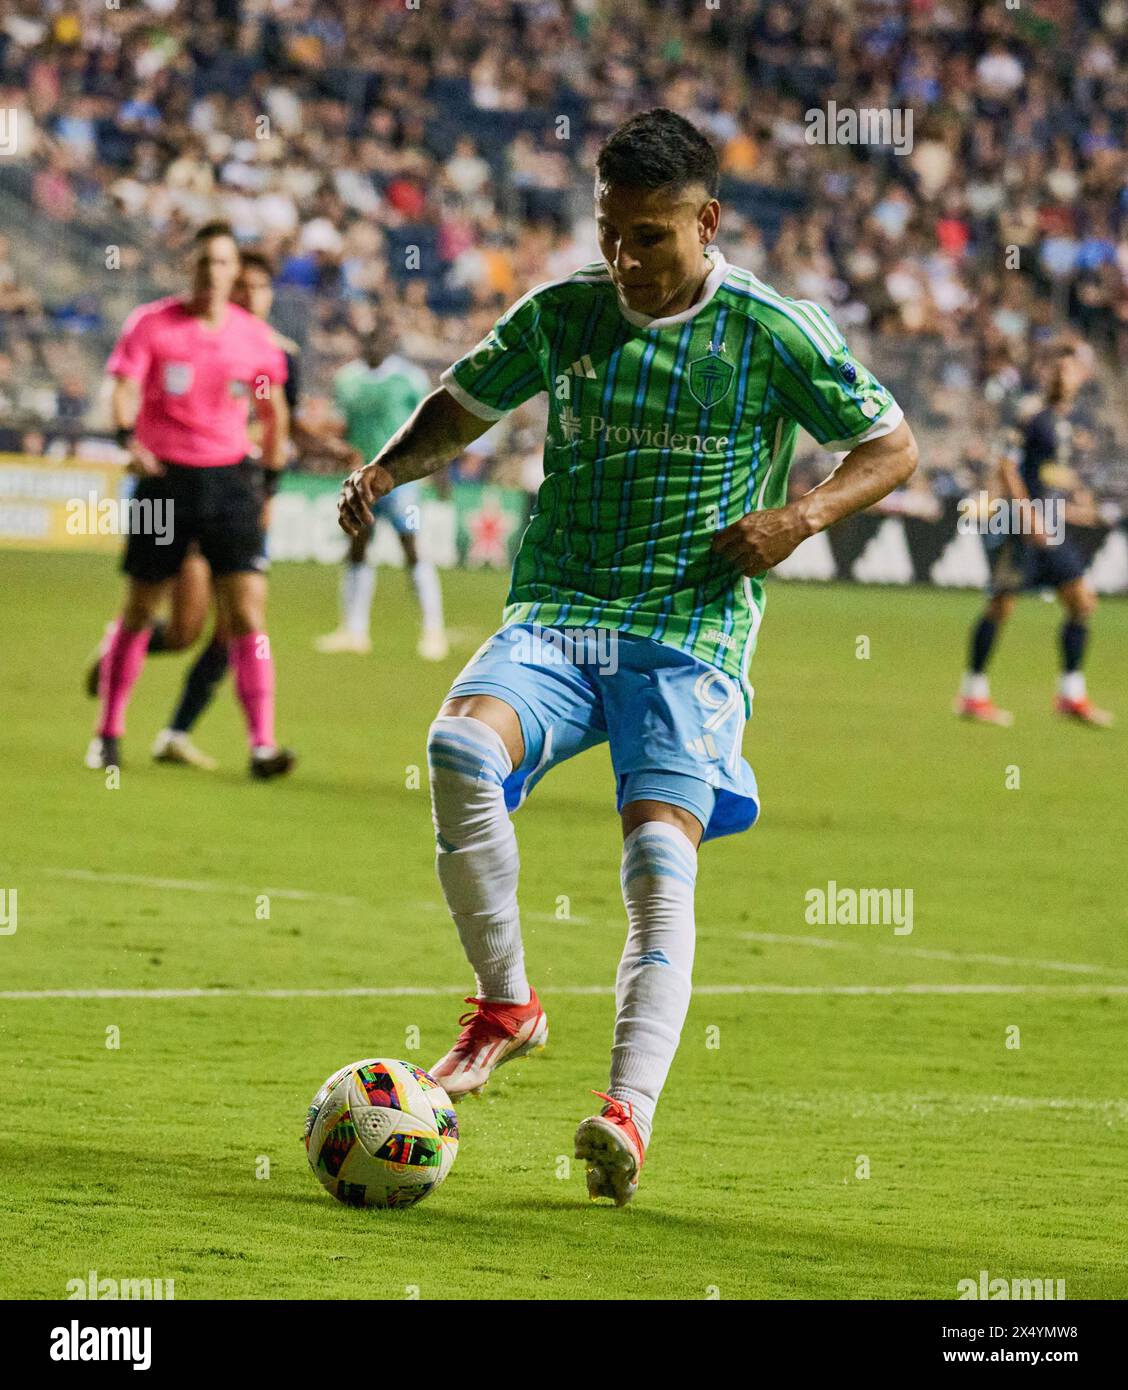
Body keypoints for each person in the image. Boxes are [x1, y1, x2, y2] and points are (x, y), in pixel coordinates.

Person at [339, 109, 918, 1206]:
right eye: (611, 232)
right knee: (458, 747)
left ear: (707, 221)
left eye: (649, 237)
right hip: (560, 608)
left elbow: (891, 445)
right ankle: (506, 1003)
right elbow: (464, 406)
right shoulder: (565, 313)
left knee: (658, 858)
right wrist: (382, 473)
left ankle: (626, 1113)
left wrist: (798, 519)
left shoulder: (773, 331)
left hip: (689, 635)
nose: (625, 259)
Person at [85, 221, 295, 778]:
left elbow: (269, 407)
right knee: (140, 609)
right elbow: (125, 384)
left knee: (248, 613)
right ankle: (108, 733)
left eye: (223, 263)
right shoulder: (153, 325)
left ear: (233, 272)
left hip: (230, 483)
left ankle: (263, 745)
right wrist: (126, 439)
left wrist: (269, 480)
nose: (212, 272)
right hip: (164, 480)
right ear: (190, 268)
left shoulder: (253, 339)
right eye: (203, 262)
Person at [955, 342, 1112, 727]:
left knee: (1082, 601)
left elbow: (1055, 474)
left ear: (1081, 376)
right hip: (1023, 524)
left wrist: (1079, 502)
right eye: (1057, 368)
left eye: (1070, 369)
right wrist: (1027, 517)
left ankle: (1071, 695)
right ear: (1046, 373)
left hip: (1054, 524)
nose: (1063, 375)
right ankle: (973, 694)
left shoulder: (1074, 422)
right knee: (1001, 605)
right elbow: (1008, 468)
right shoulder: (1029, 414)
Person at [315, 319, 448, 658]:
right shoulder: (347, 379)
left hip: (402, 483)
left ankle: (433, 630)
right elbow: (342, 426)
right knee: (358, 547)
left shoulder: (410, 378)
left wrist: (438, 472)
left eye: (382, 340)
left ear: (392, 344)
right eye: (370, 340)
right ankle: (354, 631)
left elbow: (427, 425)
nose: (375, 346)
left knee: (412, 546)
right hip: (359, 481)